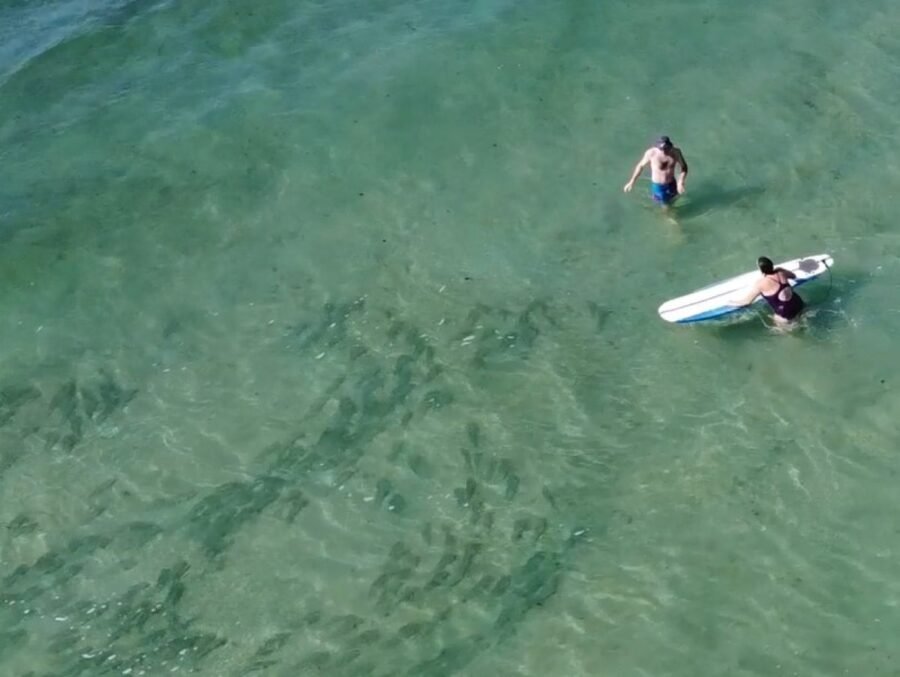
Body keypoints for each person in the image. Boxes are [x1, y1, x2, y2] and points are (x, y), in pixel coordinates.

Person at [730, 256, 805, 324]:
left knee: (780, 331)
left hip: (784, 313)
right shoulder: (781, 272)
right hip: (798, 304)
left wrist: (730, 302)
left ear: (760, 269)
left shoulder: (760, 283)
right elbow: (793, 276)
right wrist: (781, 269)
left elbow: (747, 302)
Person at [623, 135, 688, 207]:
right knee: (665, 205)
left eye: (666, 148)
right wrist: (631, 182)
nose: (664, 151)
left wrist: (680, 182)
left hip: (672, 183)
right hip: (659, 186)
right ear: (658, 147)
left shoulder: (676, 152)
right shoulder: (651, 153)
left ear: (670, 146)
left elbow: (684, 167)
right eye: (661, 149)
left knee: (674, 200)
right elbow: (640, 166)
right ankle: (668, 217)